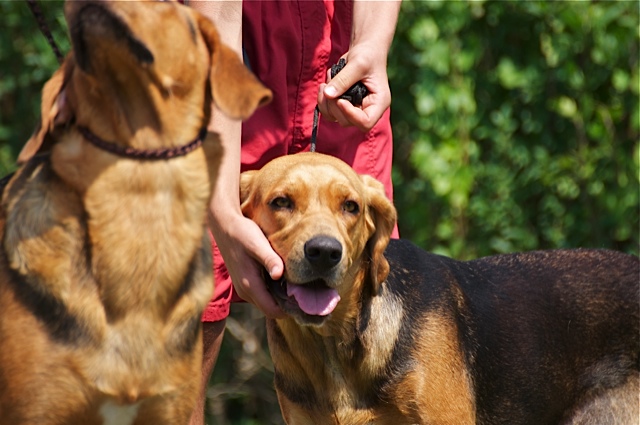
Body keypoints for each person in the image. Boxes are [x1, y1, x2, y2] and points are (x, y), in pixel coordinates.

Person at [187, 1, 401, 423]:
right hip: (213, 52)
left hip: (339, 53)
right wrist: (225, 215)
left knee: (368, 309)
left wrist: (372, 42)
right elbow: (218, 15)